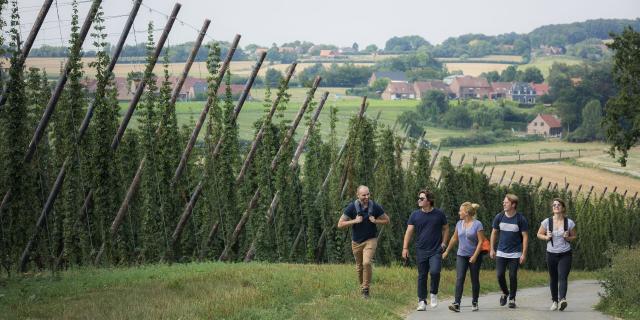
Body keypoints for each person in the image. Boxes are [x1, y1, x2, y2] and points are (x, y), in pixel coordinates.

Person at [337, 185, 390, 299]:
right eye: (364, 195)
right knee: (359, 267)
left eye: (368, 194)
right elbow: (340, 224)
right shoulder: (352, 207)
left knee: (366, 263)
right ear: (358, 195)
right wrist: (354, 221)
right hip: (356, 242)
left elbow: (387, 220)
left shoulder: (375, 206)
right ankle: (363, 288)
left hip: (370, 240)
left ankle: (366, 290)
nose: (366, 197)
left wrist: (375, 220)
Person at [402, 190, 449, 311]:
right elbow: (409, 232)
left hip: (436, 250)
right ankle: (422, 300)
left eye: (421, 198)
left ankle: (433, 293)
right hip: (421, 250)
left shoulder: (439, 214)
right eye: (419, 198)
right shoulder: (415, 215)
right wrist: (405, 248)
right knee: (422, 275)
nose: (419, 200)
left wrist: (444, 243)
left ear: (429, 201)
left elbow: (446, 229)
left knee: (435, 272)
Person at [443, 202, 486, 312]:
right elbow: (454, 238)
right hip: (461, 254)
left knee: (474, 279)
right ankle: (457, 303)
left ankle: (475, 301)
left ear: (466, 213)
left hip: (474, 255)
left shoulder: (478, 224)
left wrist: (475, 256)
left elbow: (481, 242)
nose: (459, 212)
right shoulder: (459, 223)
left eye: (460, 211)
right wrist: (447, 251)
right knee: (460, 278)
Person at [536, 198, 577, 311]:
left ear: (563, 208)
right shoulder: (546, 222)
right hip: (551, 254)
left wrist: (568, 237)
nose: (556, 206)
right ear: (552, 208)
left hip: (565, 254)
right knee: (553, 278)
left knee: (563, 276)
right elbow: (539, 234)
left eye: (558, 205)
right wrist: (546, 237)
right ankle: (554, 301)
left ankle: (562, 299)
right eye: (554, 205)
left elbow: (574, 237)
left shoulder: (569, 222)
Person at [490, 193, 529, 309]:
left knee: (512, 275)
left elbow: (525, 237)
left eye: (506, 202)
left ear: (513, 204)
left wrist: (524, 253)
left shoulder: (520, 219)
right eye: (504, 202)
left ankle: (512, 298)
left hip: (515, 253)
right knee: (500, 274)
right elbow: (494, 232)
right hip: (501, 252)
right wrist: (492, 248)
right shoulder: (499, 216)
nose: (503, 204)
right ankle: (505, 292)